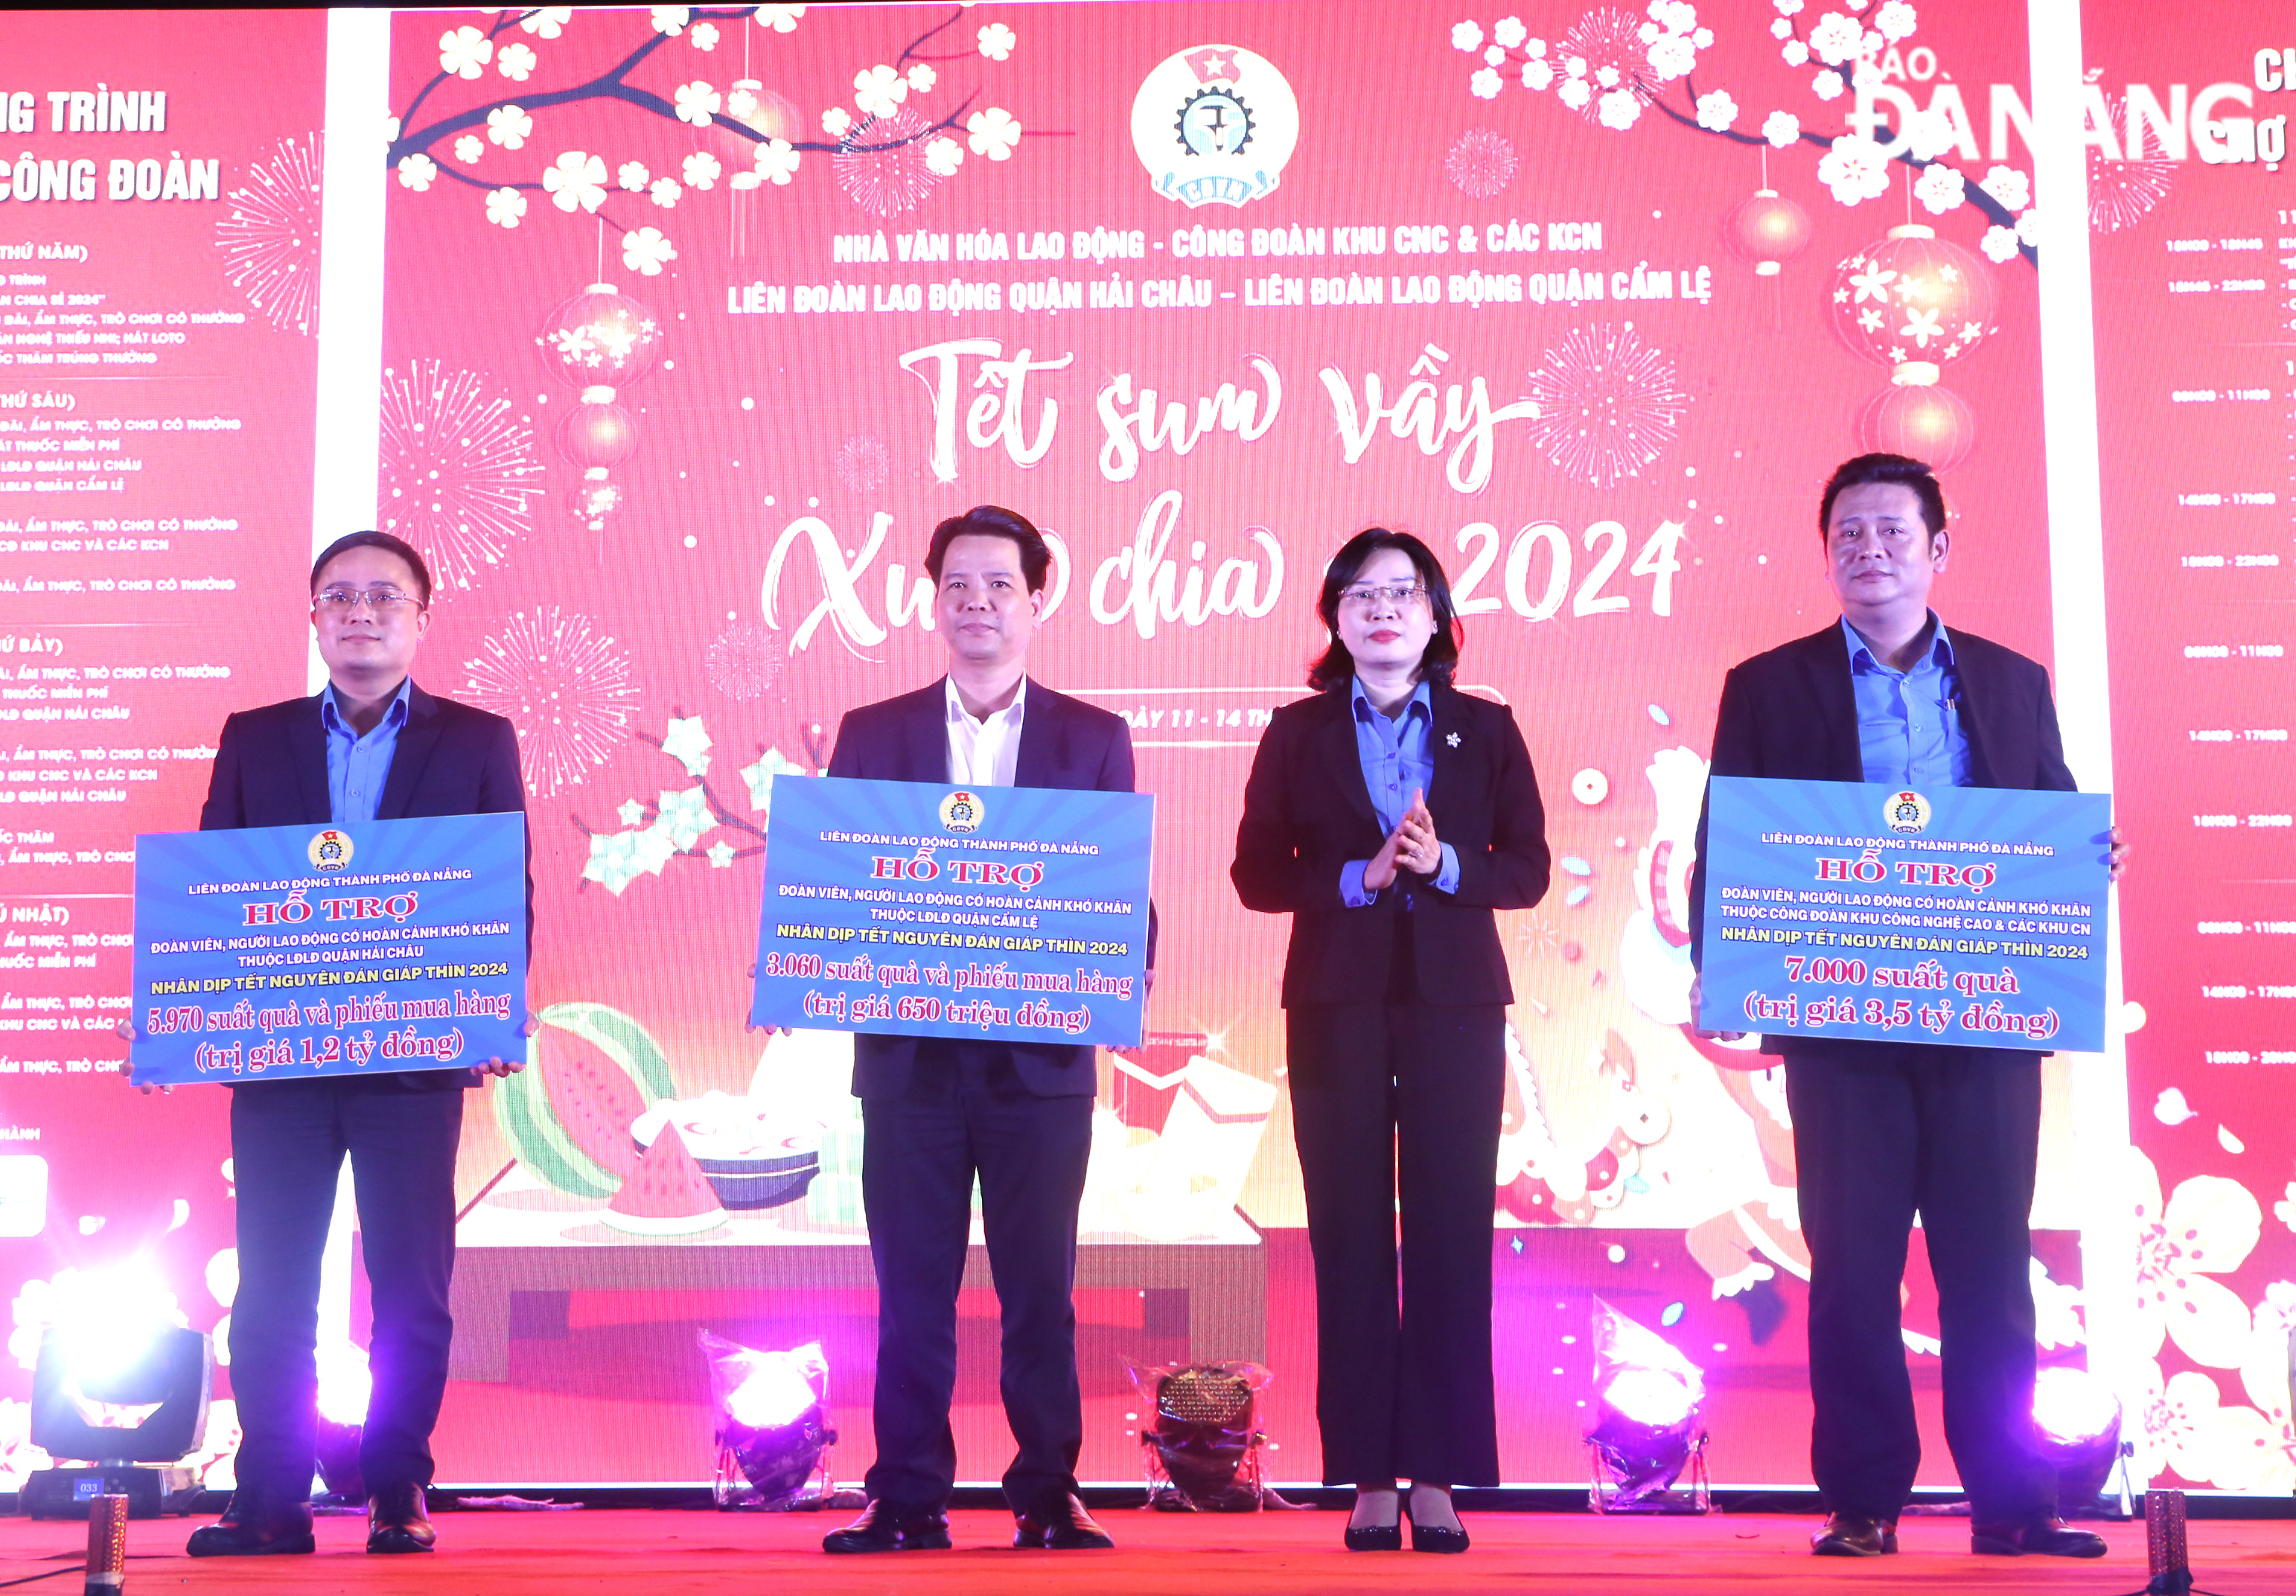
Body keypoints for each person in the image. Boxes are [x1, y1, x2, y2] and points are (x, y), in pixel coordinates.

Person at [1687, 454, 2120, 1560]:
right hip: (1841, 1025)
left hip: (1982, 1016)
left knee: (1989, 1266)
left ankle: (2014, 1506)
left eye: (1891, 530)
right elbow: (1728, 842)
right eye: (1848, 533)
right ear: (1826, 550)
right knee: (1853, 1270)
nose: (1868, 549)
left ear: (1938, 546)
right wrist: (1723, 966)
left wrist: (2083, 861)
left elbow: (2051, 820)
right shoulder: (1771, 685)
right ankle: (1865, 1501)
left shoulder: (2013, 681)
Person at [140, 530, 530, 1557]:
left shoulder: (478, 739)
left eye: (384, 598)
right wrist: (182, 1013)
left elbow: (501, 891)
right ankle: (268, 1493)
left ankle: (399, 1488)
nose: (361, 614)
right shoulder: (255, 738)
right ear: (314, 617)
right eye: (340, 598)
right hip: (280, 1061)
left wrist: (493, 1009)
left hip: (413, 1063)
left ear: (421, 618)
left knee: (413, 1284)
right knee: (272, 1284)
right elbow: (216, 894)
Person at [815, 506, 1146, 1554]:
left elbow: (1113, 892)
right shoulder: (875, 732)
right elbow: (840, 883)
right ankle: (907, 1494)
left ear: (1036, 600)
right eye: (959, 584)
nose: (978, 604)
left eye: (1000, 585)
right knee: (911, 1292)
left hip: (1039, 1069)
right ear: (935, 600)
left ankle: (1047, 1491)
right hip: (910, 1069)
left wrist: (1119, 959)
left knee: (1038, 1293)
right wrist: (807, 944)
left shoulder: (1091, 737)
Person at [1231, 529, 1550, 1554]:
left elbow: (1529, 869)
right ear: (1335, 616)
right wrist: (1352, 880)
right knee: (1350, 1235)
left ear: (1436, 614)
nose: (1383, 611)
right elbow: (1253, 873)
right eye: (1362, 595)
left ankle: (1442, 1474)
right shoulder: (1295, 732)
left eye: (1403, 594)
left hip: (1458, 1005)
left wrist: (1446, 862)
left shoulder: (1488, 728)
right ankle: (1370, 1472)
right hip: (1335, 1002)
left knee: (1454, 1234)